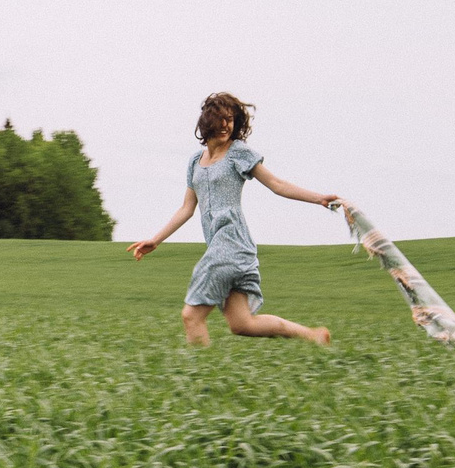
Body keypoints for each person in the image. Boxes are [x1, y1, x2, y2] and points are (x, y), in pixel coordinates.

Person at [128, 92, 343, 347]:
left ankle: (200, 380)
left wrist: (318, 198)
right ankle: (313, 335)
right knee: (242, 324)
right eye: (220, 119)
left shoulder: (237, 153)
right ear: (207, 122)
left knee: (191, 316)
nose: (226, 125)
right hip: (229, 249)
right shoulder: (195, 162)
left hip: (230, 243)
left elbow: (276, 184)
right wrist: (155, 240)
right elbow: (187, 208)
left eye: (230, 120)